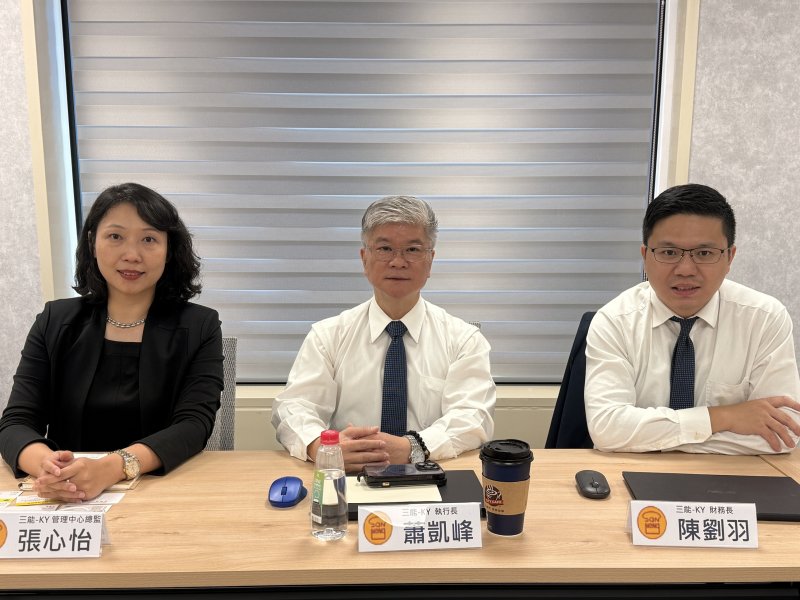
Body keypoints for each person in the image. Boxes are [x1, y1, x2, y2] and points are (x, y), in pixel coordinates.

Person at [0, 182, 224, 501]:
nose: (131, 255)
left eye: (149, 239)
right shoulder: (54, 321)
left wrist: (112, 468)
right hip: (66, 495)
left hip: (160, 491)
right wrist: (49, 468)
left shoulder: (200, 326)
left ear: (169, 251)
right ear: (93, 242)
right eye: (115, 236)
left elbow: (193, 425)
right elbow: (16, 422)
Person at [272, 195, 495, 473]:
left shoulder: (464, 340)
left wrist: (413, 447)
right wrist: (322, 447)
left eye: (412, 249)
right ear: (364, 258)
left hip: (432, 474)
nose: (398, 262)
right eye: (385, 248)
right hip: (350, 476)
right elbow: (294, 407)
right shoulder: (328, 336)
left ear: (430, 260)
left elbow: (473, 416)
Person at [584, 183, 800, 454]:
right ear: (645, 257)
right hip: (630, 472)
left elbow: (783, 434)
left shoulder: (764, 319)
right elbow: (608, 429)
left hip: (732, 475)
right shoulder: (614, 321)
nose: (685, 269)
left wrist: (650, 437)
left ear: (730, 257)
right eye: (669, 252)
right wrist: (724, 417)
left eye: (704, 253)